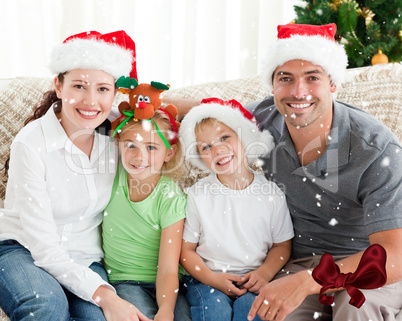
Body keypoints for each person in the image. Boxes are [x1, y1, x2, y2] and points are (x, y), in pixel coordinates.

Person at [243, 23, 402, 321]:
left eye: (312, 77)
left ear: (332, 84)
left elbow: (395, 254)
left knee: (355, 309)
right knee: (272, 313)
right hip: (298, 262)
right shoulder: (262, 118)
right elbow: (205, 113)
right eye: (285, 79)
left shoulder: (376, 148)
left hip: (364, 263)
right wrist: (141, 107)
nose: (298, 91)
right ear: (273, 86)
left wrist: (310, 280)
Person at [0, 30, 152, 321]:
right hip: (23, 249)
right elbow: (44, 248)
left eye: (103, 89)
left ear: (116, 94)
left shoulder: (118, 139)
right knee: (46, 305)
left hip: (83, 258)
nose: (91, 101)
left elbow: (161, 116)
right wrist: (106, 295)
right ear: (58, 86)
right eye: (79, 86)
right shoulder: (31, 144)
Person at [179, 98, 295, 321]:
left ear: (244, 138)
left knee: (251, 312)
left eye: (224, 137)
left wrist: (264, 274)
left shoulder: (271, 193)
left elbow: (282, 245)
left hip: (254, 278)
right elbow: (187, 251)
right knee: (215, 311)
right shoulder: (198, 194)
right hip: (207, 279)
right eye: (206, 146)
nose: (219, 149)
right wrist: (213, 279)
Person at [102, 109, 191, 321]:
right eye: (131, 145)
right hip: (125, 281)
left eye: (151, 147)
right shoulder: (111, 177)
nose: (139, 156)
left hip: (169, 282)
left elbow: (168, 268)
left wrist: (166, 310)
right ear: (119, 145)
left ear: (169, 153)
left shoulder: (170, 197)